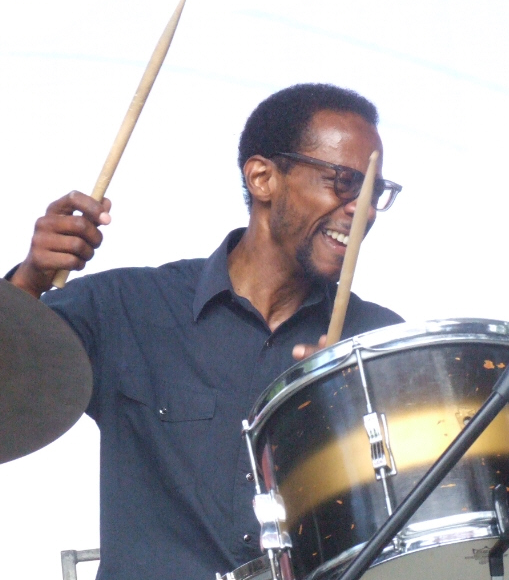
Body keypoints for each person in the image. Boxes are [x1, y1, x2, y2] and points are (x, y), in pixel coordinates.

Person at [9, 83, 403, 580]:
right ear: (263, 178)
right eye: (346, 183)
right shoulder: (126, 309)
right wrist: (29, 280)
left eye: (375, 192)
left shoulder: (376, 346)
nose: (362, 209)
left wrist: (349, 409)